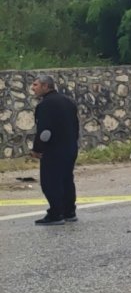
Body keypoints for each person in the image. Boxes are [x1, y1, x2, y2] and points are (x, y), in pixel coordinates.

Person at [30, 75, 80, 225]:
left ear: (46, 86)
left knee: (50, 181)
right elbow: (76, 126)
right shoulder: (69, 102)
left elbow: (45, 132)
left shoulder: (45, 105)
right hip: (70, 147)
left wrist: (37, 149)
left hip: (54, 149)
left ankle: (56, 213)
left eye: (36, 85)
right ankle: (69, 211)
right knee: (66, 180)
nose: (33, 88)